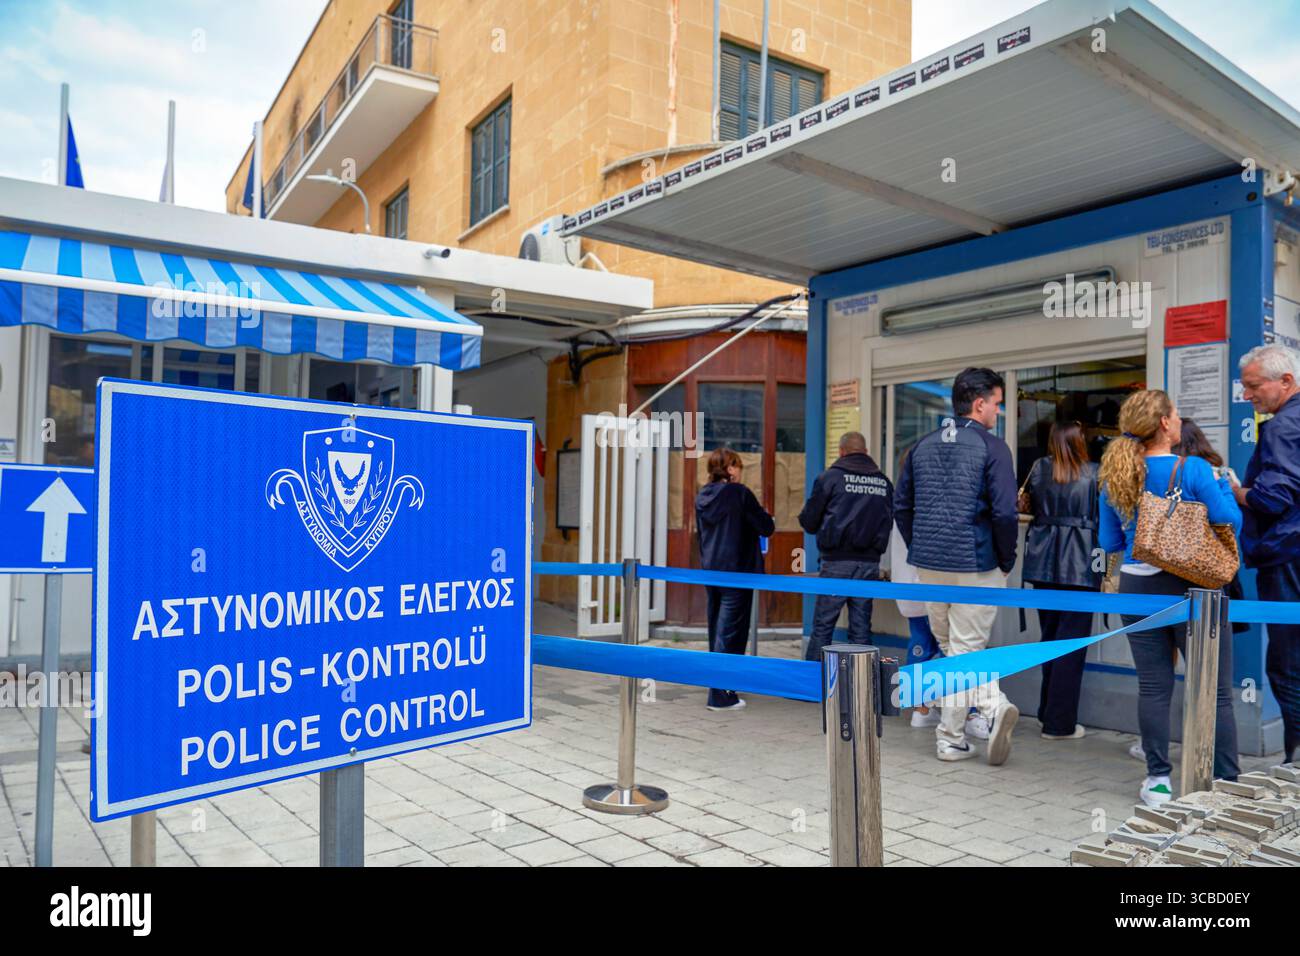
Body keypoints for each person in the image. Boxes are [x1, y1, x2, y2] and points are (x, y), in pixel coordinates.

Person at [1098, 389, 1241, 808]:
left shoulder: (1115, 474)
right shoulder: (1195, 468)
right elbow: (1229, 520)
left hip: (1136, 589)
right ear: (1164, 423)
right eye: (1176, 415)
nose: (1180, 421)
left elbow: (1109, 540)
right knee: (1216, 691)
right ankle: (1226, 781)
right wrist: (1225, 487)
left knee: (1154, 687)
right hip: (1192, 589)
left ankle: (1158, 781)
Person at [895, 367, 1020, 765]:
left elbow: (901, 506)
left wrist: (921, 547)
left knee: (953, 650)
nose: (998, 413)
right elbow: (1004, 512)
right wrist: (1006, 560)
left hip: (930, 567)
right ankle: (989, 709)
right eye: (997, 404)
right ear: (979, 403)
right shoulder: (994, 448)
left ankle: (956, 734)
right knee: (966, 649)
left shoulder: (921, 446)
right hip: (976, 563)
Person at [1234, 343, 1300, 765]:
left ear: (1286, 381)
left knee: (1287, 661)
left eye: (1254, 386)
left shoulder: (1280, 428)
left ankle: (1296, 761)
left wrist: (1237, 492)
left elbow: (1273, 498)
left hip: (1286, 557)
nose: (1247, 395)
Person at [1022, 420, 1100, 741]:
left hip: (1043, 564)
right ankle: (1059, 724)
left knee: (1050, 640)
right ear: (1080, 441)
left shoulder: (1039, 469)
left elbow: (1024, 504)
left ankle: (1046, 714)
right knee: (1071, 646)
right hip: (1082, 566)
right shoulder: (1096, 472)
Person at [798, 431, 894, 661]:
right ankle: (862, 689)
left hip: (836, 563)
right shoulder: (883, 482)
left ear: (841, 451)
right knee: (861, 629)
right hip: (870, 564)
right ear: (866, 452)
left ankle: (813, 684)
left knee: (823, 625)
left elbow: (809, 521)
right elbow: (889, 521)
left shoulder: (829, 478)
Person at [695, 447, 775, 712]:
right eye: (738, 466)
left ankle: (723, 685)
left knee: (717, 629)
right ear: (729, 468)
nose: (740, 470)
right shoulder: (739, 494)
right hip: (737, 572)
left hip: (712, 571)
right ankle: (720, 695)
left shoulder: (703, 496)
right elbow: (766, 526)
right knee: (731, 633)